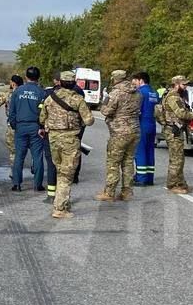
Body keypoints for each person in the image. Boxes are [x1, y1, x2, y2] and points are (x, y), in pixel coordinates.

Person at [39, 71, 94, 218]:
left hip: (53, 139)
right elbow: (89, 120)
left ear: (60, 82)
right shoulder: (78, 100)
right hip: (70, 140)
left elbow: (42, 118)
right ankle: (60, 208)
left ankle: (62, 200)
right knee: (66, 174)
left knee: (59, 171)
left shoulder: (50, 98)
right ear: (74, 83)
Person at [96, 70, 143, 202]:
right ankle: (127, 192)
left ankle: (109, 192)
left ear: (114, 79)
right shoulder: (137, 92)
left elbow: (106, 111)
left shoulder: (115, 93)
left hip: (119, 132)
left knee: (113, 162)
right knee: (128, 161)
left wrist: (104, 103)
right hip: (135, 130)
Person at [8, 66, 47, 192]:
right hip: (36, 127)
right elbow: (44, 112)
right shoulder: (42, 92)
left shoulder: (18, 91)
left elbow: (11, 111)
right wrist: (41, 127)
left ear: (26, 77)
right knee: (37, 156)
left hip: (21, 126)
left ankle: (16, 184)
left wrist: (15, 125)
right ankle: (37, 184)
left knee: (19, 156)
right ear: (38, 78)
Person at [161, 74, 193, 193]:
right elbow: (181, 113)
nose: (186, 87)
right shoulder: (173, 97)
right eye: (184, 84)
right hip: (173, 131)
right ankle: (172, 185)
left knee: (179, 158)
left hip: (176, 130)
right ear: (176, 84)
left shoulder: (178, 96)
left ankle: (181, 183)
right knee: (176, 159)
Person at [133, 71, 159, 186]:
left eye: (135, 81)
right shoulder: (154, 92)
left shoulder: (140, 93)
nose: (134, 83)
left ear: (141, 80)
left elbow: (136, 110)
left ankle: (141, 178)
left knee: (140, 151)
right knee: (149, 150)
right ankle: (149, 177)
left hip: (142, 123)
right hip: (152, 124)